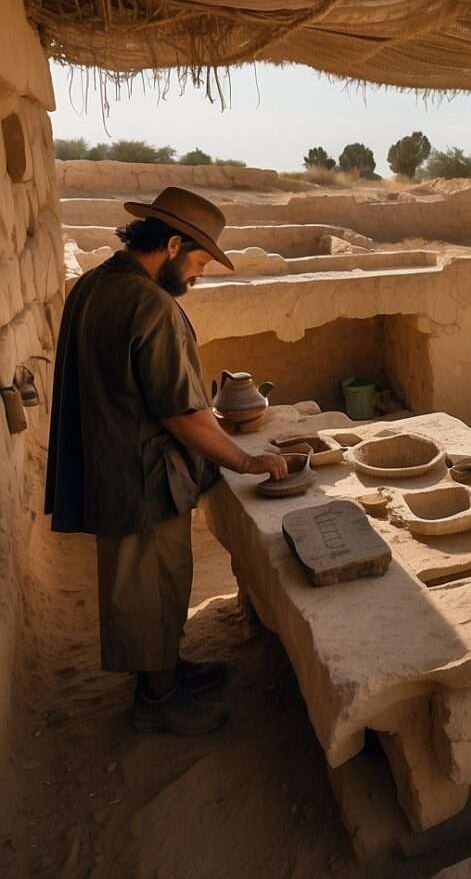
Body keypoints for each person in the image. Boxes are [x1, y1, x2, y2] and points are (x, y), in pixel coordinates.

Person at [45, 187, 288, 735]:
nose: (199, 275)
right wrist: (243, 461)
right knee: (147, 587)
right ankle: (157, 701)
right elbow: (182, 413)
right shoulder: (151, 305)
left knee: (158, 582)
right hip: (143, 475)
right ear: (173, 244)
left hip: (114, 461)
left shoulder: (94, 284)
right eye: (198, 261)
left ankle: (168, 672)